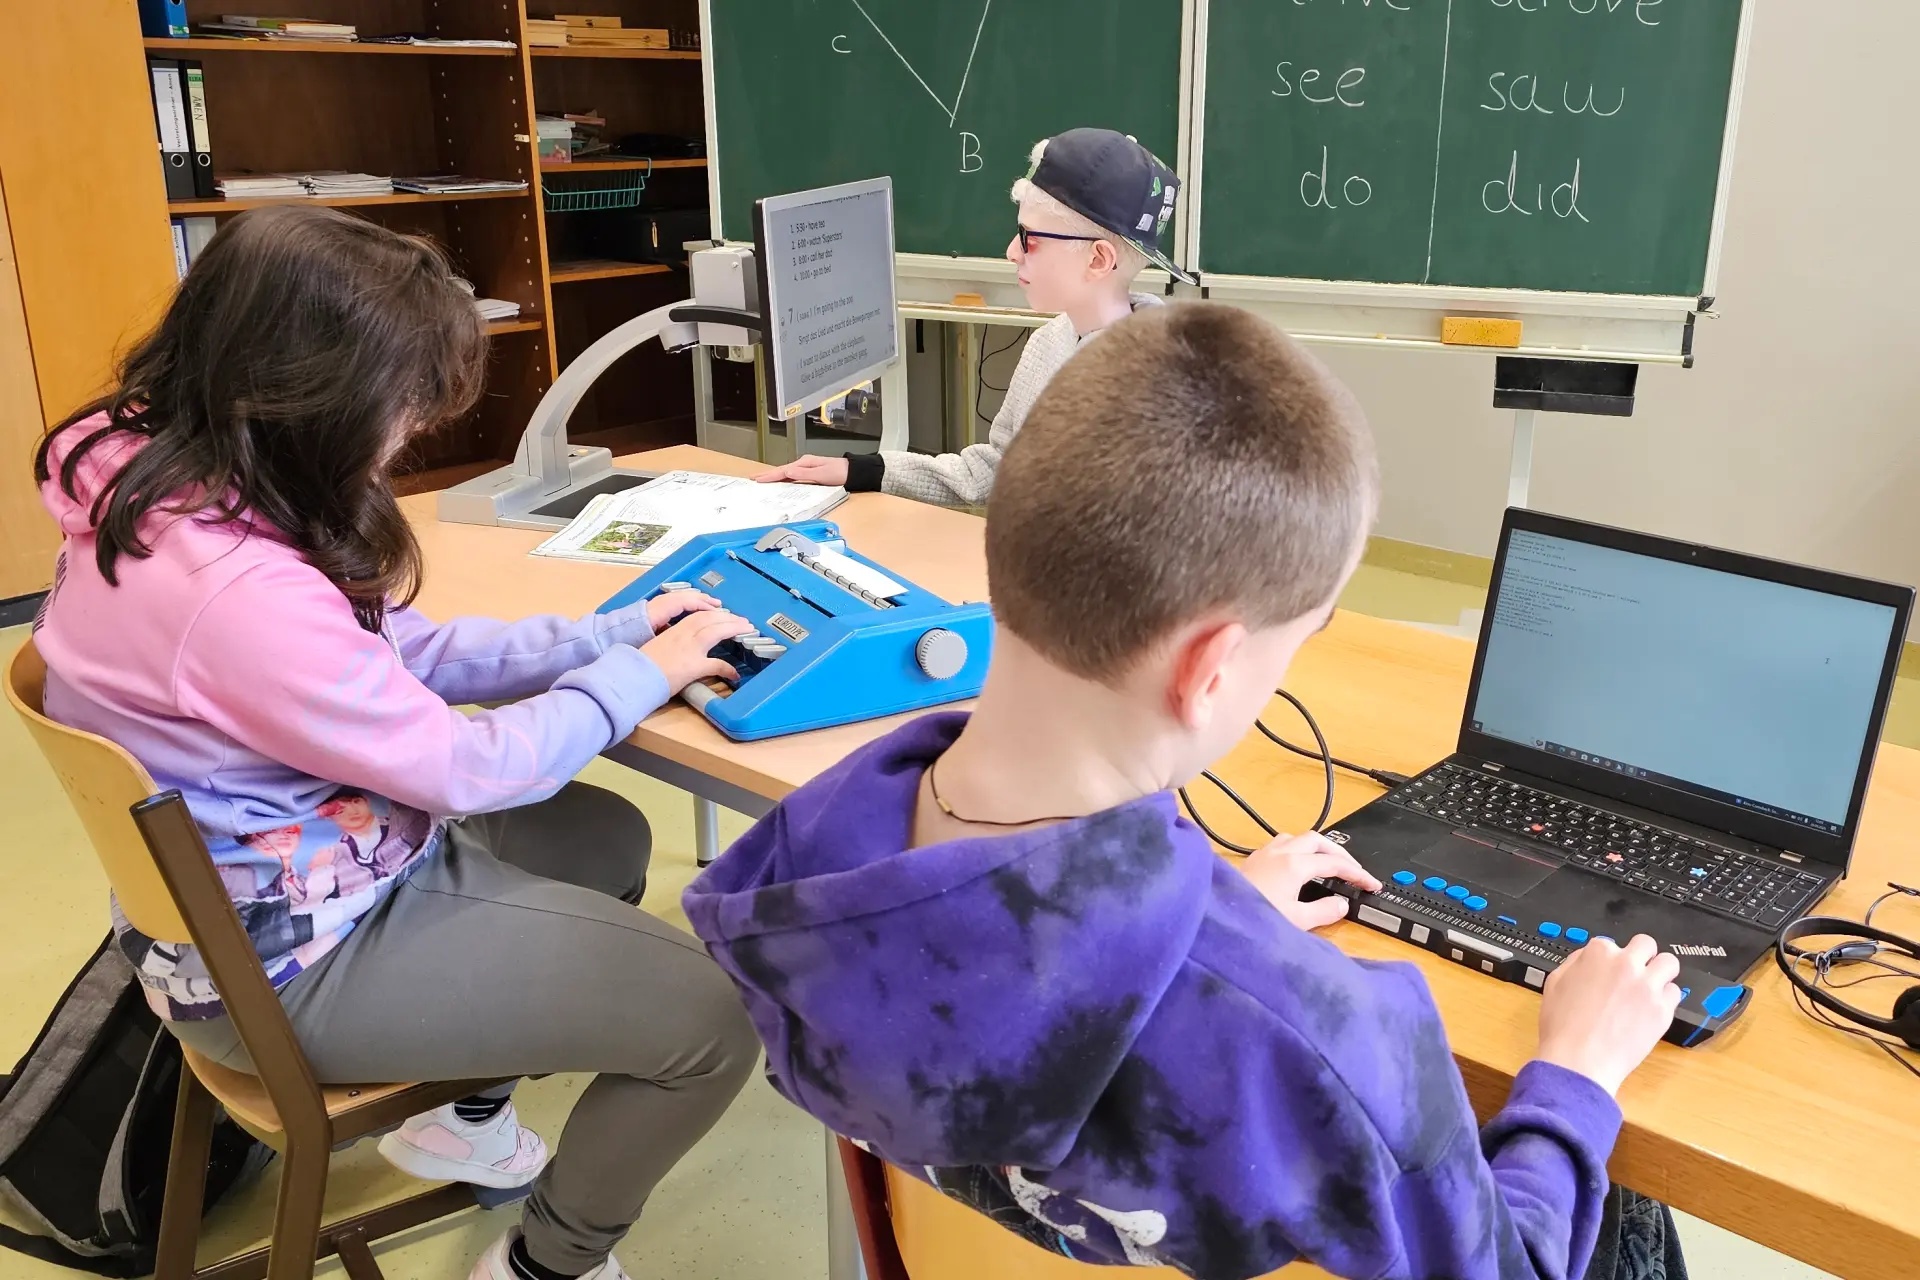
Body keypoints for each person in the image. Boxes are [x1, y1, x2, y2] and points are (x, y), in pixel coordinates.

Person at [685, 303, 1687, 1279]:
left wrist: (1215, 907)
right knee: (1627, 1197)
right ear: (1212, 665)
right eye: (1305, 634)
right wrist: (1577, 1076)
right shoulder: (1322, 1042)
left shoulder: (803, 866)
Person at [33, 205, 761, 1280]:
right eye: (403, 403)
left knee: (600, 834)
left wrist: (604, 634)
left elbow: (396, 649)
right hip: (289, 959)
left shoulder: (169, 480)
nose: (411, 429)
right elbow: (467, 767)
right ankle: (543, 1265)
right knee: (713, 1021)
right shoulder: (231, 594)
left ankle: (464, 1118)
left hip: (268, 887)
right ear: (305, 390)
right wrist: (641, 674)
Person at [755, 127, 1190, 505]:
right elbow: (997, 470)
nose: (1011, 251)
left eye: (1029, 238)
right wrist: (862, 471)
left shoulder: (1152, 389)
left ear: (1097, 259)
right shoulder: (1052, 340)